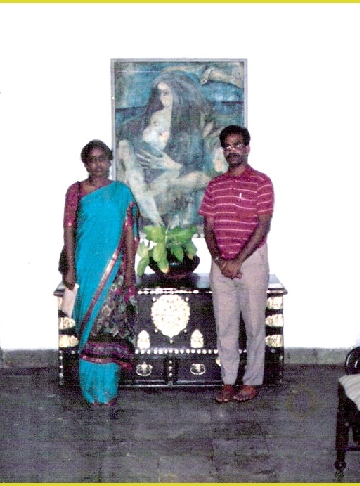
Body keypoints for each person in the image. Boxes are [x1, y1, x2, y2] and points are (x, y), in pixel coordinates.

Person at [198, 125, 274, 403]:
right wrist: (220, 260)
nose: (232, 150)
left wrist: (238, 260)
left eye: (237, 145)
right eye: (227, 146)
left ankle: (252, 381)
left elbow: (263, 226)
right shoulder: (214, 186)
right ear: (223, 151)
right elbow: (208, 228)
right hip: (221, 266)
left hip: (251, 262)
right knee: (225, 326)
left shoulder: (262, 182)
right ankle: (228, 381)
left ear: (247, 148)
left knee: (254, 326)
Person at [62, 140, 139, 406]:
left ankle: (107, 389)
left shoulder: (122, 192)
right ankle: (89, 389)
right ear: (85, 163)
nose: (97, 164)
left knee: (110, 327)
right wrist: (71, 268)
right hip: (86, 266)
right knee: (87, 324)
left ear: (109, 161)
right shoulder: (76, 192)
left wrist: (129, 269)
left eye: (102, 158)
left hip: (115, 269)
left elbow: (130, 231)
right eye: (92, 160)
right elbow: (69, 230)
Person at [116, 70, 225, 228]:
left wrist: (174, 166)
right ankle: (156, 222)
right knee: (127, 157)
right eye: (159, 93)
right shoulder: (152, 117)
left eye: (166, 93)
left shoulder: (197, 121)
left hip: (175, 176)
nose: (162, 98)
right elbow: (130, 134)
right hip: (146, 176)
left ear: (179, 94)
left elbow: (207, 168)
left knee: (169, 183)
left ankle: (158, 224)